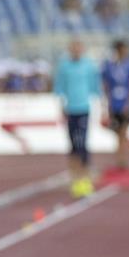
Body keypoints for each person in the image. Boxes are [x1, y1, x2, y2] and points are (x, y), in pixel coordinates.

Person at [54, 39, 100, 198]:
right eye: (73, 47)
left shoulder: (88, 65)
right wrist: (61, 107)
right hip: (70, 109)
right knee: (73, 145)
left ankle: (85, 180)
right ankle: (75, 180)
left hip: (83, 109)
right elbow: (59, 88)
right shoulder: (64, 66)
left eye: (78, 47)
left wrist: (102, 104)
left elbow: (95, 86)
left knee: (82, 145)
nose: (76, 50)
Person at [101, 40, 129, 170]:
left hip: (125, 102)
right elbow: (105, 85)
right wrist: (106, 103)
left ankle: (122, 159)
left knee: (124, 130)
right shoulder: (109, 65)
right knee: (117, 131)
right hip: (114, 103)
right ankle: (119, 157)